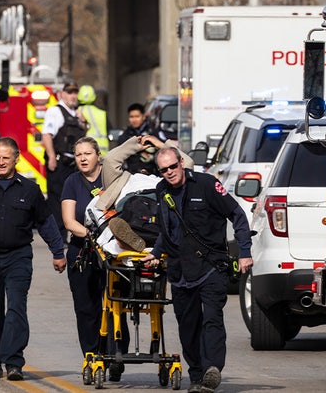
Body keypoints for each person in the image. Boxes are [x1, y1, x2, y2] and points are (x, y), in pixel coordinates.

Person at [141, 147, 254, 393]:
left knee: (212, 319)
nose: (170, 172)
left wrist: (244, 251)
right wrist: (155, 253)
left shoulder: (206, 185)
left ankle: (212, 369)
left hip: (211, 266)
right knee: (188, 325)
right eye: (164, 170)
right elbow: (167, 231)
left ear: (182, 163)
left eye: (173, 166)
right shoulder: (161, 191)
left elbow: (237, 214)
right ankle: (196, 375)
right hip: (180, 270)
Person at [0, 136, 67, 381]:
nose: (1, 162)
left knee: (17, 306)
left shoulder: (29, 189)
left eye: (7, 157)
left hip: (19, 256)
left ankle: (14, 361)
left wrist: (58, 253)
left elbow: (46, 223)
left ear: (17, 159)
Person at [61, 136, 129, 381]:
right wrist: (91, 235)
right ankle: (91, 357)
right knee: (87, 309)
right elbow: (69, 221)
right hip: (83, 251)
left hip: (114, 252)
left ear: (98, 155)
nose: (82, 158)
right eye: (78, 154)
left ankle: (116, 356)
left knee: (115, 305)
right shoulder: (71, 182)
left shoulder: (111, 177)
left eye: (87, 153)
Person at [42, 81, 88, 241]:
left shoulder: (76, 113)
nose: (73, 95)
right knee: (57, 200)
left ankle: (71, 233)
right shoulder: (55, 111)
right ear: (61, 94)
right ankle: (58, 237)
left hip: (73, 164)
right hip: (60, 163)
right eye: (69, 92)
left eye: (75, 92)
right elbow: (47, 135)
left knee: (72, 199)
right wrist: (52, 157)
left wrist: (83, 123)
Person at [114, 103, 157, 175]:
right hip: (131, 176)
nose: (134, 120)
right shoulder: (125, 135)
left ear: (143, 116)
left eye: (137, 116)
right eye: (131, 117)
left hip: (153, 175)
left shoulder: (153, 133)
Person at [76, 85, 110, 156]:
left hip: (82, 154)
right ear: (94, 97)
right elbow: (110, 130)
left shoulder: (75, 112)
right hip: (102, 154)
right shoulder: (102, 113)